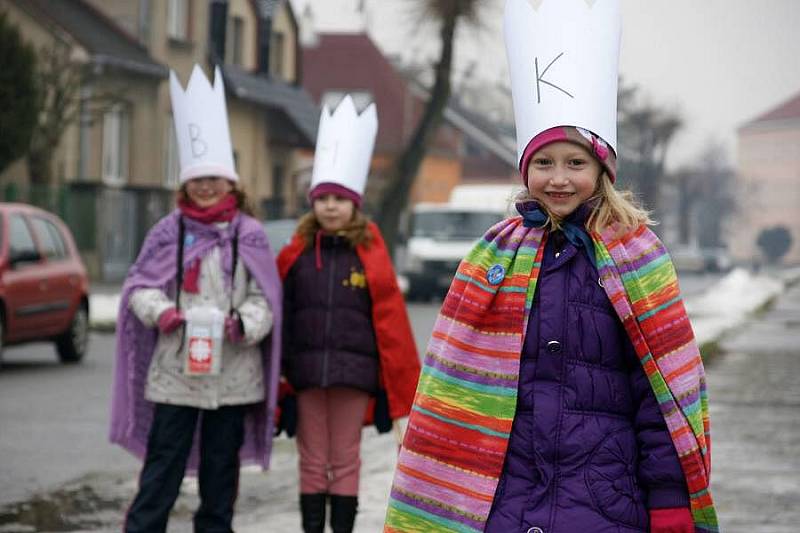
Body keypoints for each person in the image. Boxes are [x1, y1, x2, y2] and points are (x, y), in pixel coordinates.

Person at [384, 1, 717, 532]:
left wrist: (671, 501)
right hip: (507, 499)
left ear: (601, 170)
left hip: (605, 500)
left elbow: (663, 398)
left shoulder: (639, 258)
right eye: (544, 163)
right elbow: (455, 384)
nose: (558, 179)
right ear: (525, 170)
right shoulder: (492, 257)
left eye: (575, 163)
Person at [109, 65, 282, 532]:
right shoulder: (168, 232)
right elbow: (139, 287)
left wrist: (243, 323)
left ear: (231, 183)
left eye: (214, 178)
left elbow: (266, 299)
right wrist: (161, 311)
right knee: (162, 467)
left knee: (219, 474)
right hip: (175, 374)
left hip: (234, 374)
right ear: (184, 184)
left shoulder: (250, 234)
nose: (205, 187)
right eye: (196, 180)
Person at [277, 95, 421, 533]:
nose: (331, 207)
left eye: (340, 198)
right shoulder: (296, 254)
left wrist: (392, 390)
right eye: (323, 199)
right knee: (311, 458)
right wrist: (280, 379)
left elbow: (390, 324)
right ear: (312, 202)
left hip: (353, 377)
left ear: (354, 203)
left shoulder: (370, 253)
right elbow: (282, 313)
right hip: (305, 376)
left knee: (344, 458)